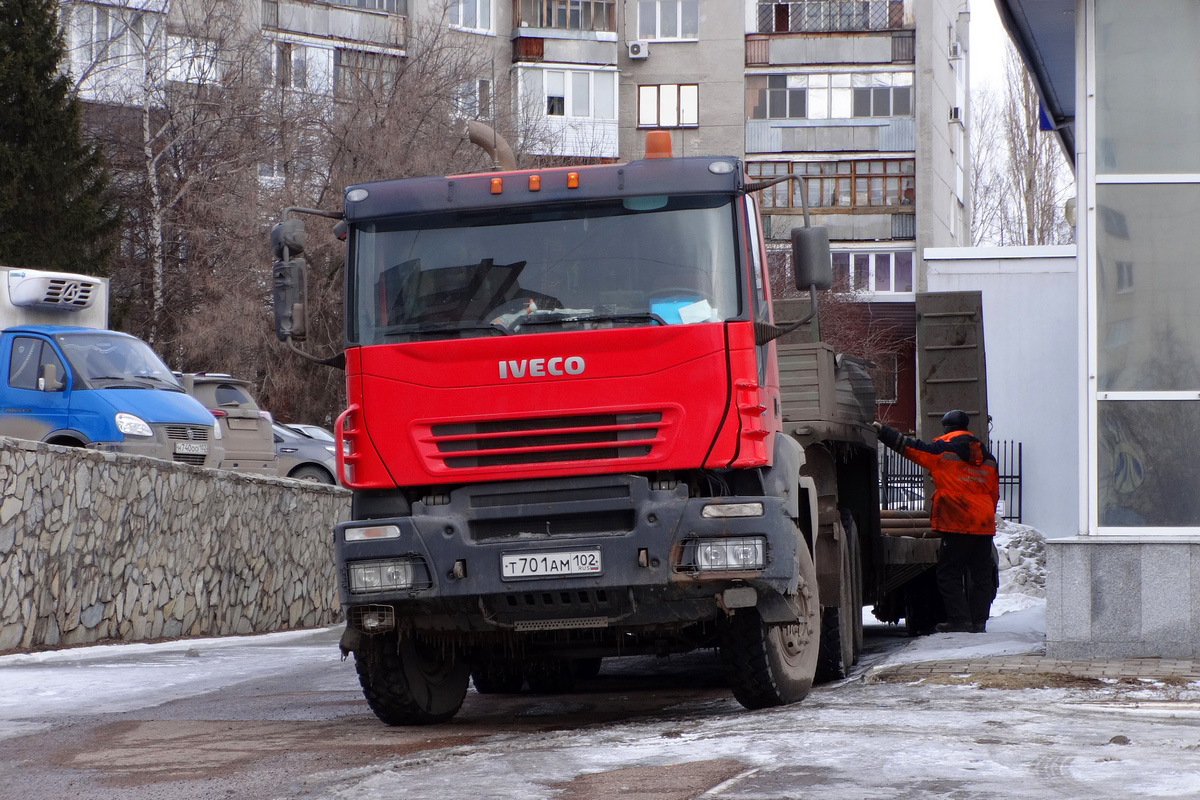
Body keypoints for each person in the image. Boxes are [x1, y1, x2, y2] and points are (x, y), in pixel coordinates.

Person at [874, 410, 1000, 633]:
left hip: (956, 521)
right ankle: (979, 621)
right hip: (983, 523)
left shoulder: (943, 451)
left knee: (948, 573)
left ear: (946, 429)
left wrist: (883, 432)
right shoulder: (988, 458)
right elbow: (993, 494)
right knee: (980, 575)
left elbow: (910, 448)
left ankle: (960, 620)